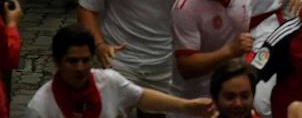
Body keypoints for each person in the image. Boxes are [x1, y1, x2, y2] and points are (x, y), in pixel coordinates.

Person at [25, 24, 216, 117]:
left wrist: (187, 106)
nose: (80, 68)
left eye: (85, 60)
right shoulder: (40, 107)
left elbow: (141, 97)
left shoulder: (109, 81)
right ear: (57, 62)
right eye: (72, 61)